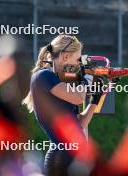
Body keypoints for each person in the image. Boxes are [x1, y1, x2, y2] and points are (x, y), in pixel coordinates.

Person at [22, 35, 102, 175]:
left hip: (70, 156)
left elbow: (79, 125)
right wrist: (86, 78)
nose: (78, 65)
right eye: (78, 59)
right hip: (62, 157)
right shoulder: (44, 76)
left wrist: (95, 100)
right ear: (65, 56)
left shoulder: (57, 81)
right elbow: (78, 98)